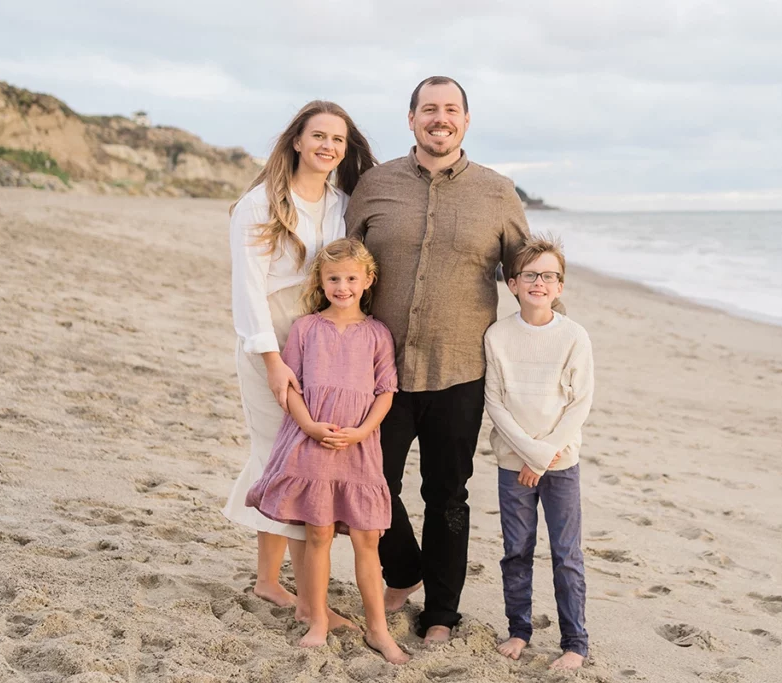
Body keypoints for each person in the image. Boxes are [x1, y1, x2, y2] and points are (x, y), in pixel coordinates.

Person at [346, 75, 564, 643]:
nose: (439, 118)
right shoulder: (375, 184)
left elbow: (526, 273)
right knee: (370, 483)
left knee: (448, 494)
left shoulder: (496, 191)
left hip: (461, 369)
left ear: (466, 121)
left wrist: (550, 348)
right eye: (428, 109)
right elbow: (343, 267)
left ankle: (442, 611)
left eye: (451, 110)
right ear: (411, 118)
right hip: (378, 371)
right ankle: (404, 568)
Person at [220, 100, 376, 631]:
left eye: (338, 139)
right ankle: (311, 604)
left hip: (319, 338)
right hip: (272, 337)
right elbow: (247, 290)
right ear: (296, 141)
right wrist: (270, 359)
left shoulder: (342, 202)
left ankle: (269, 580)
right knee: (284, 456)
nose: (328, 146)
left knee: (282, 455)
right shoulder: (259, 203)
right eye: (319, 136)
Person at [245, 238, 409, 665]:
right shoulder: (305, 328)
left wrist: (360, 432)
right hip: (311, 440)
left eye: (352, 278)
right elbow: (289, 386)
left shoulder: (377, 334)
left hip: (359, 445)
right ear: (320, 279)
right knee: (317, 532)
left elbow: (385, 391)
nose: (342, 286)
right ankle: (317, 618)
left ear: (368, 281)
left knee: (366, 536)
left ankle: (378, 629)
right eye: (334, 278)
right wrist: (310, 425)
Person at [484, 236, 594, 671]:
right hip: (514, 463)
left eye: (549, 275)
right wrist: (529, 455)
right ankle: (519, 630)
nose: (539, 282)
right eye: (530, 275)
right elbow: (495, 402)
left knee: (566, 553)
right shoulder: (498, 335)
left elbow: (579, 403)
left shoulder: (573, 337)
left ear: (560, 286)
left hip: (560, 463)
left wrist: (544, 454)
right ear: (512, 283)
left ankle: (575, 642)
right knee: (517, 549)